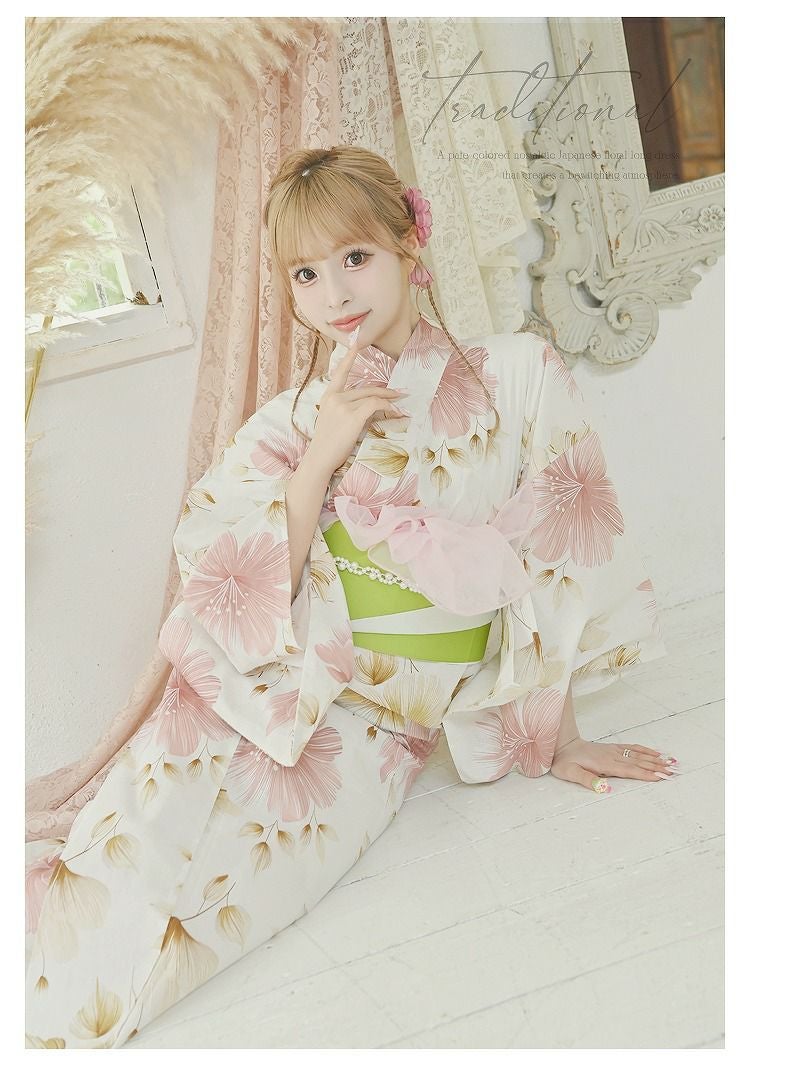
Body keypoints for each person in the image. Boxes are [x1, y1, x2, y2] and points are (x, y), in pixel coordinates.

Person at [25, 145, 673, 1048]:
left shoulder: (519, 372)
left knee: (209, 921)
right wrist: (321, 457)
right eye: (306, 273)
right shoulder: (292, 419)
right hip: (256, 688)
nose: (334, 292)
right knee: (111, 863)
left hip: (372, 730)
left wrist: (555, 734)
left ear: (411, 241)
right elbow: (227, 578)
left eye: (355, 257)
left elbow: (563, 550)